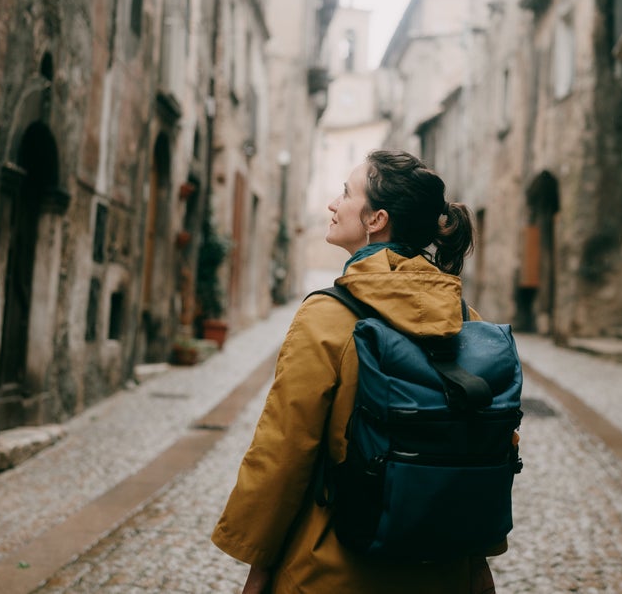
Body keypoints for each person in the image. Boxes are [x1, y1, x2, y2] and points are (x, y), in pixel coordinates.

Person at [212, 150, 500, 594]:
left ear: (376, 219)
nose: (333, 204)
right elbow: (485, 447)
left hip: (332, 570)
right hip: (444, 571)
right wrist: (478, 562)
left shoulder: (326, 317)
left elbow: (284, 450)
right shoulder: (467, 321)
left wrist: (258, 566)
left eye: (346, 193)